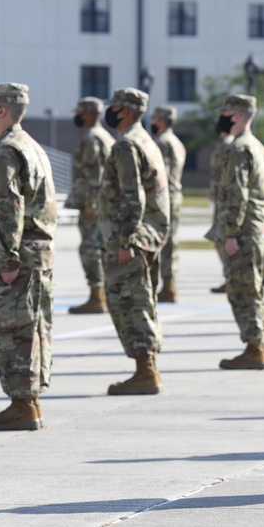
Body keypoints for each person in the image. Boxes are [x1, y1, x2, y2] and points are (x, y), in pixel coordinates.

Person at [0, 82, 56, 431]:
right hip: (36, 254)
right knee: (32, 328)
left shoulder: (7, 150)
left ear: (1, 110)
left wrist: (7, 259)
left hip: (16, 257)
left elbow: (10, 207)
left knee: (13, 330)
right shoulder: (30, 145)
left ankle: (23, 404)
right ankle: (29, 402)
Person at [99, 88, 170, 395]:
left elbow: (132, 196)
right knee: (142, 300)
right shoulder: (145, 141)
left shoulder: (127, 145)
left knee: (130, 303)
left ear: (124, 111)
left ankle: (146, 372)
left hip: (132, 239)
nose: (110, 110)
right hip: (149, 235)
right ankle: (147, 367)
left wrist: (126, 240)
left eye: (114, 106)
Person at [215, 95, 264, 370]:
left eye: (226, 112)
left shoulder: (238, 149)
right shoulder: (258, 147)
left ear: (236, 115)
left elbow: (237, 194)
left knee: (243, 290)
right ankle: (258, 344)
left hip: (244, 231)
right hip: (259, 229)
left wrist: (230, 233)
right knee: (256, 289)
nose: (223, 117)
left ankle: (254, 348)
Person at [64, 97, 113, 314]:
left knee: (90, 250)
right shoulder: (105, 136)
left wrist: (93, 206)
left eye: (81, 112)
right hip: (101, 203)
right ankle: (103, 294)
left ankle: (97, 296)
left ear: (89, 114)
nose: (78, 116)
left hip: (92, 204)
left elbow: (95, 175)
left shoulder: (91, 137)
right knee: (100, 248)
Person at [151, 105, 187, 303]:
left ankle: (168, 285)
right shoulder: (176, 141)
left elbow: (158, 174)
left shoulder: (163, 142)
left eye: (155, 118)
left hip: (165, 197)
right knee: (170, 240)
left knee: (164, 242)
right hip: (175, 195)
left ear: (162, 120)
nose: (153, 121)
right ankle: (169, 284)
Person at [208, 125, 233, 294]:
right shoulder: (230, 143)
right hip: (225, 196)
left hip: (224, 197)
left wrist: (215, 193)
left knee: (222, 239)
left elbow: (218, 172)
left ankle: (231, 278)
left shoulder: (226, 144)